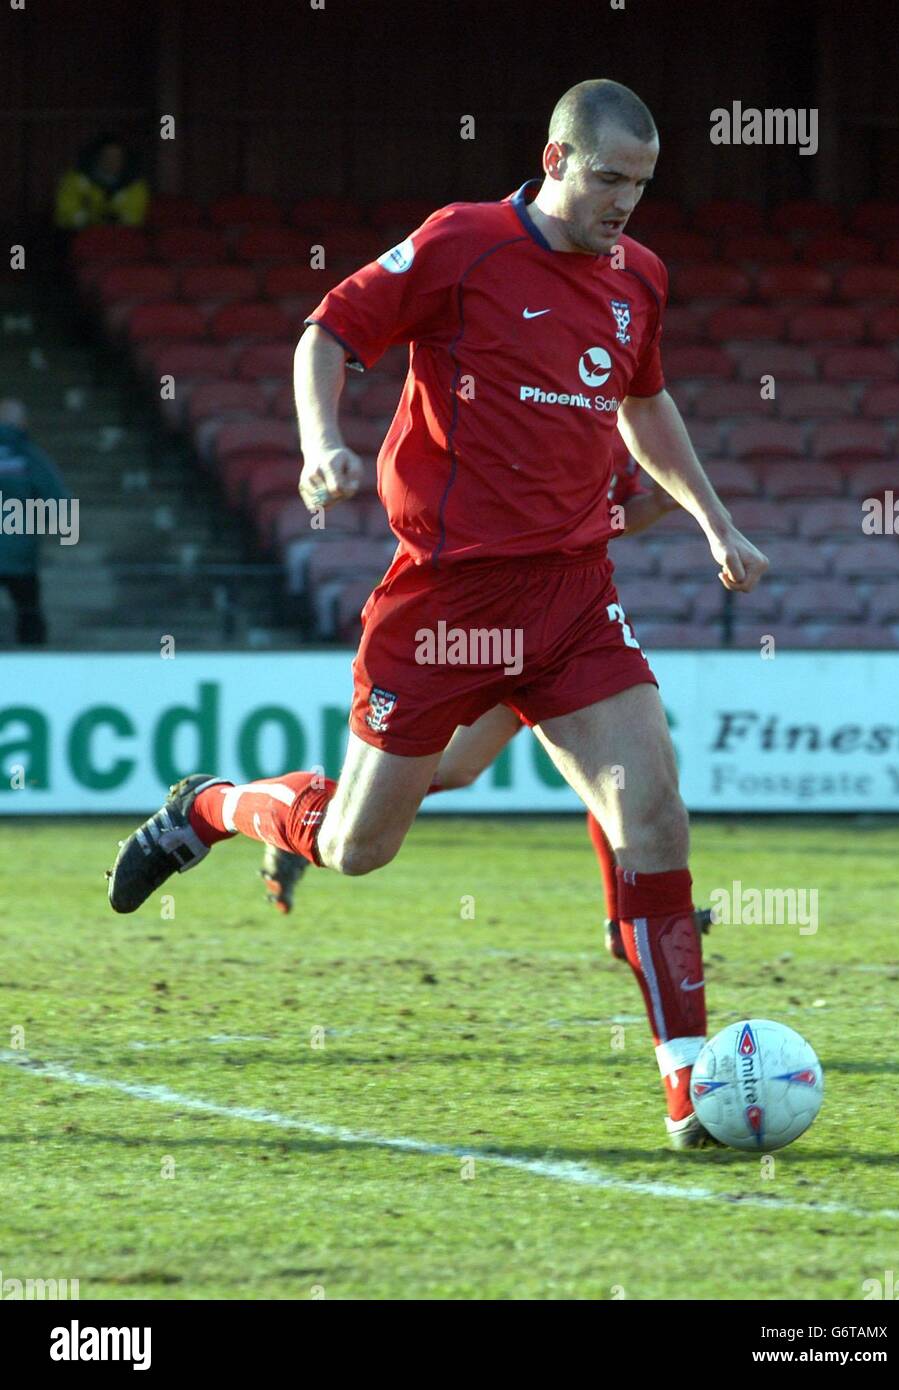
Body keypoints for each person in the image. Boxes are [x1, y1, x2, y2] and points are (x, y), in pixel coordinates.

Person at [107, 79, 769, 1150]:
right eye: (608, 179)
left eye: (640, 186)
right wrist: (322, 444)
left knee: (651, 809)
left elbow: (646, 404)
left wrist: (712, 521)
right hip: (444, 603)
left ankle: (687, 1085)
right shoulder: (462, 243)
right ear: (554, 160)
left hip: (569, 600)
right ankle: (214, 809)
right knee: (363, 842)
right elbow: (328, 330)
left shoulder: (636, 278)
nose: (624, 205)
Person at [258, 450, 713, 955]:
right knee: (467, 771)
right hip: (493, 626)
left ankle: (624, 918)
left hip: (558, 626)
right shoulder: (539, 411)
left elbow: (616, 520)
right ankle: (315, 814)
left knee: (592, 776)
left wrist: (668, 502)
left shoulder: (611, 425)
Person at [0, 400, 72, 645]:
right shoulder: (29, 456)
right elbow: (57, 497)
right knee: (29, 612)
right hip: (20, 554)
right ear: (22, 422)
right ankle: (32, 664)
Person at [54, 134, 149, 230]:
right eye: (107, 156)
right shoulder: (75, 180)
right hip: (78, 234)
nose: (111, 161)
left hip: (120, 237)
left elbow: (134, 217)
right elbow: (66, 212)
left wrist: (112, 222)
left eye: (117, 157)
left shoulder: (135, 185)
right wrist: (92, 222)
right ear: (97, 157)